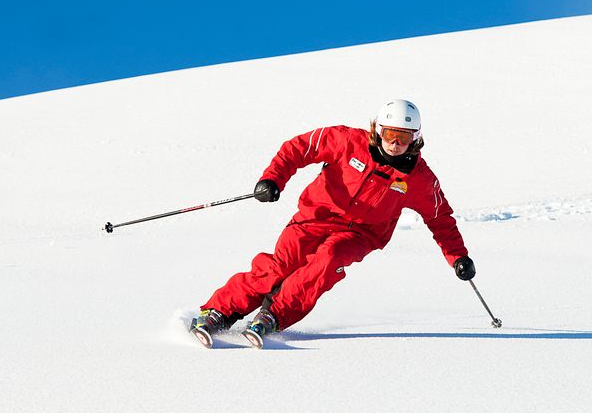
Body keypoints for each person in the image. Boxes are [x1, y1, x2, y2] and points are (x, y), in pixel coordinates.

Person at [191, 99, 476, 347]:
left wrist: (458, 257)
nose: (396, 143)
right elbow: (299, 148)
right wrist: (272, 179)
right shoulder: (348, 141)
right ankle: (219, 311)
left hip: (361, 234)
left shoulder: (419, 179)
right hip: (315, 217)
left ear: (415, 138)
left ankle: (274, 315)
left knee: (328, 259)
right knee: (281, 266)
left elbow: (440, 219)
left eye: (404, 136)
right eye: (391, 134)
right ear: (378, 129)